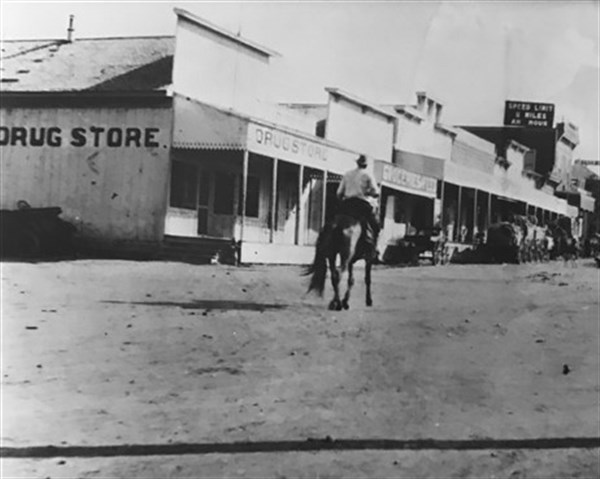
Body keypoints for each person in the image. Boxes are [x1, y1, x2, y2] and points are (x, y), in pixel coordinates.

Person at [336, 155, 380, 242]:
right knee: (375, 227)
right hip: (362, 205)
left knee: (335, 219)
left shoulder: (347, 174)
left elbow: (339, 193)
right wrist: (368, 193)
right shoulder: (368, 175)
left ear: (357, 163)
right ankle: (373, 248)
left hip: (347, 204)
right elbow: (376, 192)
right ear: (366, 165)